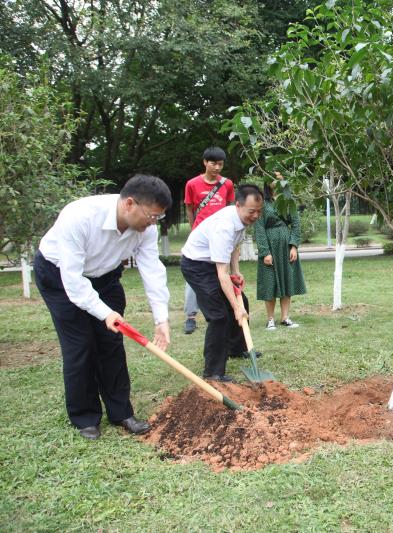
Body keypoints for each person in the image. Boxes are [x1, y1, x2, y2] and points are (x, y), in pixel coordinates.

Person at [34, 175, 172, 440]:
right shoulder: (79, 216)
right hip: (59, 276)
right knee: (80, 344)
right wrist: (105, 313)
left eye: (158, 218)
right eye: (151, 216)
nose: (153, 223)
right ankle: (85, 417)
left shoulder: (145, 229)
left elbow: (153, 270)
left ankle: (121, 413)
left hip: (105, 277)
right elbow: (73, 282)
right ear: (129, 203)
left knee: (111, 343)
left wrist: (161, 318)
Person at [180, 185, 264, 382]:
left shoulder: (240, 221)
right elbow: (221, 273)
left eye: (259, 211)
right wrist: (235, 307)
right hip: (197, 266)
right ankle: (213, 372)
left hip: (213, 263)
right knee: (219, 316)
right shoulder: (224, 226)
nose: (255, 216)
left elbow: (234, 247)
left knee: (242, 300)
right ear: (238, 205)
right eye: (251, 211)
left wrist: (236, 271)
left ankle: (237, 348)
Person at [182, 147, 235, 335]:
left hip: (220, 237)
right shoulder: (192, 184)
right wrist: (193, 229)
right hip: (201, 237)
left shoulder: (227, 184)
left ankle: (217, 311)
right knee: (194, 277)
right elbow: (189, 208)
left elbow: (230, 207)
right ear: (205, 162)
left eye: (220, 164)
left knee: (221, 274)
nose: (217, 168)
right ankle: (190, 316)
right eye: (213, 163)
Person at [255, 180, 307, 330]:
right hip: (270, 246)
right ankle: (270, 319)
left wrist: (294, 246)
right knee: (269, 281)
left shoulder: (288, 201)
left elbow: (296, 223)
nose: (276, 182)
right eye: (272, 178)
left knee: (286, 280)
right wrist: (265, 252)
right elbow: (259, 228)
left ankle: (285, 317)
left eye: (279, 178)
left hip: (286, 247)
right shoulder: (262, 202)